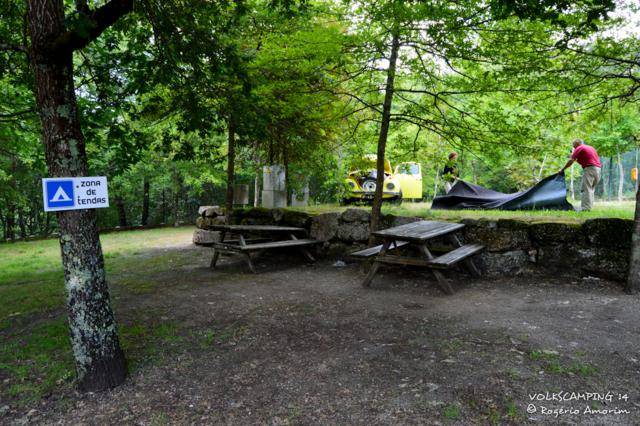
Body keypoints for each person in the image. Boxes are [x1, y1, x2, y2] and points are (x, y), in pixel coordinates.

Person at [559, 139, 602, 211]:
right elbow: (585, 159)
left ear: (576, 144)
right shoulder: (590, 148)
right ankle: (589, 207)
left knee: (586, 189)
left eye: (573, 146)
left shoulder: (579, 148)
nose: (573, 147)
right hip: (598, 169)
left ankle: (585, 208)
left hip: (589, 169)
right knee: (591, 189)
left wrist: (562, 169)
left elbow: (571, 161)